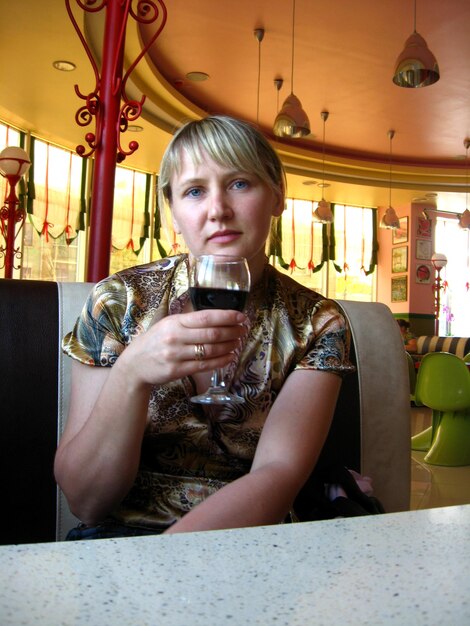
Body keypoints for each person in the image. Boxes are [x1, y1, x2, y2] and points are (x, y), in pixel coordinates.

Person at [54, 115, 354, 539]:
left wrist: (169, 568)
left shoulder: (318, 323)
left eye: (240, 183)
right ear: (173, 212)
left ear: (277, 198)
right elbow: (85, 501)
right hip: (120, 544)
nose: (218, 210)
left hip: (251, 542)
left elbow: (279, 472)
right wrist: (132, 373)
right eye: (195, 191)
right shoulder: (118, 302)